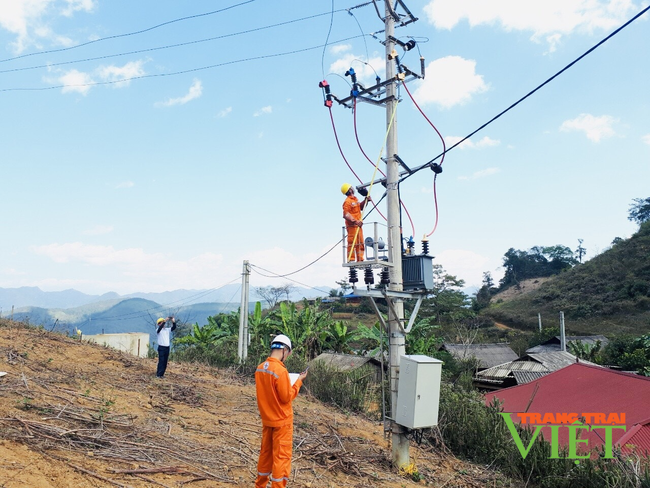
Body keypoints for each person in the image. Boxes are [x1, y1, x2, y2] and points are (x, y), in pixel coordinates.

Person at [255, 334, 308, 488]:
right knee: (281, 458)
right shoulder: (280, 370)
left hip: (267, 420)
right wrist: (298, 381)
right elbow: (286, 397)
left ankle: (260, 485)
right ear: (285, 350)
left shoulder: (260, 368)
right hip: (282, 422)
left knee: (265, 455)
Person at [341, 183, 371, 262]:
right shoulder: (347, 202)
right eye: (351, 187)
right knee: (352, 243)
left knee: (360, 242)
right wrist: (355, 221)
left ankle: (360, 259)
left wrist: (366, 201)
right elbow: (346, 214)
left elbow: (360, 207)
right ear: (349, 190)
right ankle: (351, 259)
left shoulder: (355, 199)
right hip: (352, 227)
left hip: (358, 226)